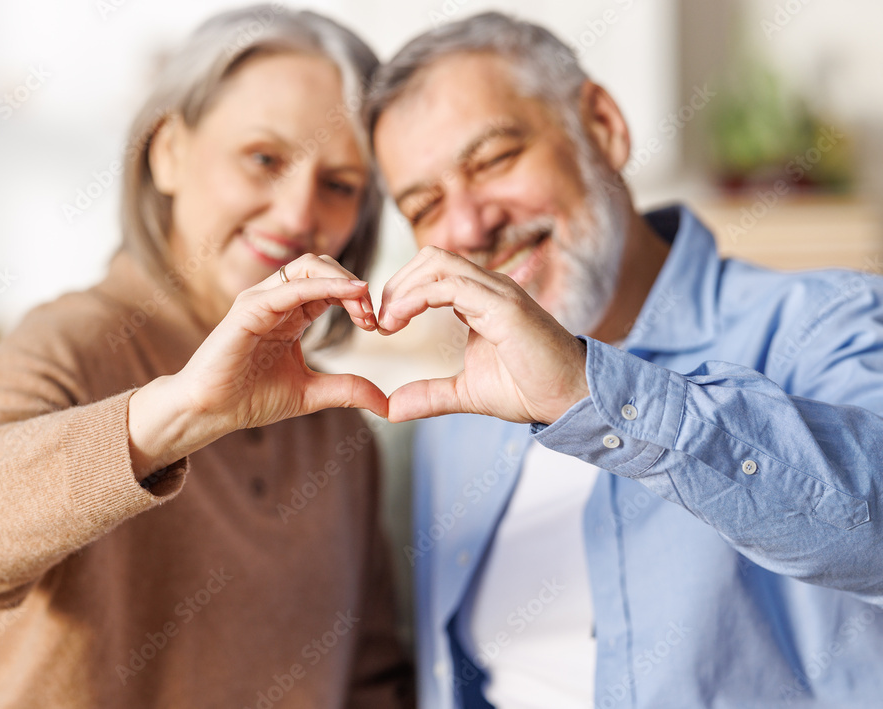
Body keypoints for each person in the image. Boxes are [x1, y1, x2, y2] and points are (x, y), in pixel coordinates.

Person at [0, 6, 414, 708]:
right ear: (168, 150)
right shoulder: (77, 338)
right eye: (263, 158)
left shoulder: (336, 429)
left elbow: (369, 675)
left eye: (341, 184)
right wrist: (183, 410)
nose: (299, 213)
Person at [364, 11, 883, 709]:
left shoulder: (828, 318)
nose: (466, 226)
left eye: (492, 160)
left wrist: (587, 390)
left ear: (602, 127)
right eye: (425, 205)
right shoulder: (457, 415)